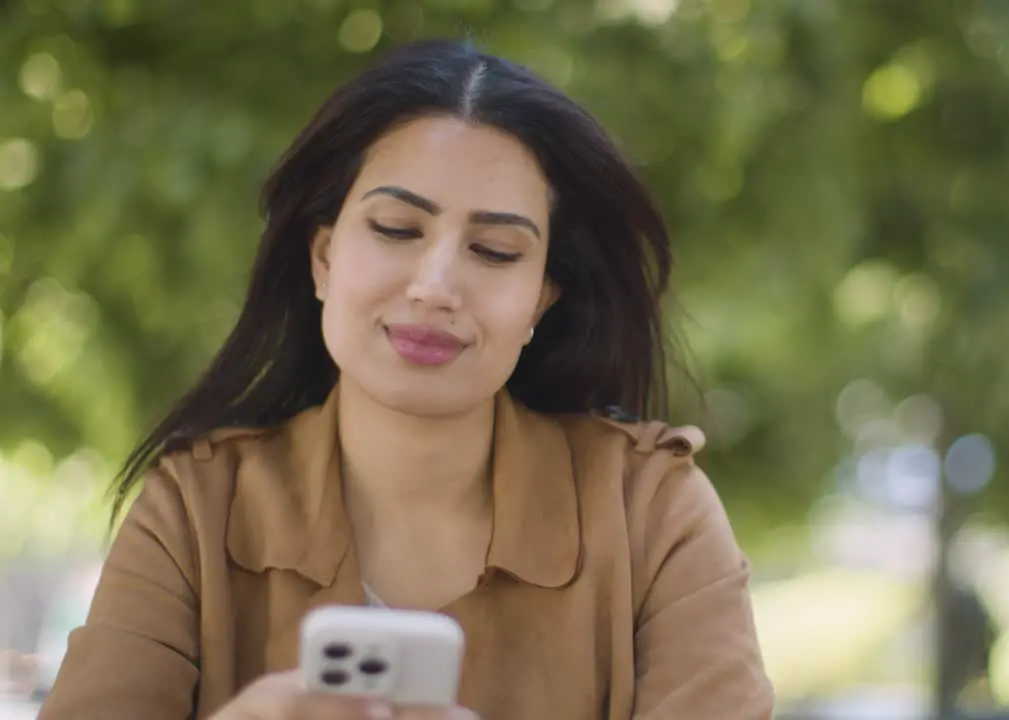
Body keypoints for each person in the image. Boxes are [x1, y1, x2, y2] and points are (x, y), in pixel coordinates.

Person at [37, 39, 773, 719]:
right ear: (323, 259)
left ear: (541, 299)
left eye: (493, 250)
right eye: (396, 230)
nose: (436, 286)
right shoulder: (194, 508)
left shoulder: (651, 512)